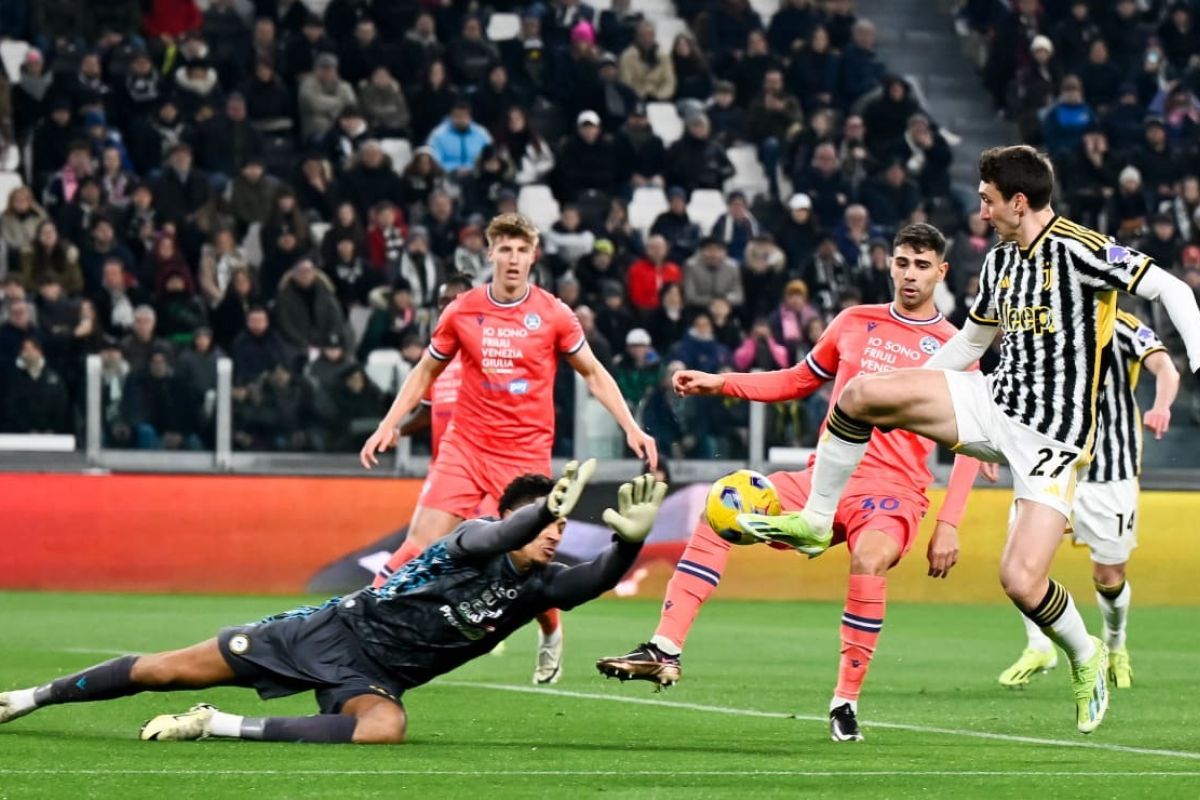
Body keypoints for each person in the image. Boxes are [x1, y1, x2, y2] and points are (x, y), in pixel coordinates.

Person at [749, 146, 1200, 734]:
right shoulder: (999, 261)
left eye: (988, 199)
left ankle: (1085, 653)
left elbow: (1176, 292)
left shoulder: (1083, 251)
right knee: (861, 394)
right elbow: (970, 345)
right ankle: (815, 518)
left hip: (1053, 440)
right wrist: (912, 384)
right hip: (992, 405)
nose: (982, 211)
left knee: (1020, 580)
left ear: (1018, 200)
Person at [596, 223, 982, 742]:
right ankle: (665, 648)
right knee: (721, 507)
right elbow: (799, 380)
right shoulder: (853, 322)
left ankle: (845, 702)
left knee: (869, 559)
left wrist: (950, 523)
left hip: (893, 491)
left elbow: (967, 446)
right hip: (823, 477)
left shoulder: (955, 347)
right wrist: (720, 383)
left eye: (921, 265)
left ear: (942, 271)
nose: (910, 275)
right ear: (890, 264)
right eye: (902, 262)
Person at [0, 463, 667, 745]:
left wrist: (629, 544)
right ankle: (30, 698)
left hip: (373, 678)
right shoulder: (470, 541)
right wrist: (538, 512)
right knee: (163, 670)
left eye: (557, 523)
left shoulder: (541, 589)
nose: (555, 531)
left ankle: (219, 726)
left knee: (387, 729)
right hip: (327, 631)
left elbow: (597, 578)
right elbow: (500, 531)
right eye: (547, 520)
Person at [360, 213, 658, 685]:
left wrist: (631, 427)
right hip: (466, 446)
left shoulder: (555, 313)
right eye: (505, 249)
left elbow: (595, 373)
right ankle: (361, 625)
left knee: (524, 562)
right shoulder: (462, 310)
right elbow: (425, 372)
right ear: (491, 254)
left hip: (523, 456)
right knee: (417, 544)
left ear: (533, 256)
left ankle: (551, 632)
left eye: (522, 250)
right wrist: (388, 424)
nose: (513, 258)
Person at [998, 314, 1179, 690]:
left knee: (1109, 576)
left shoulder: (1124, 326)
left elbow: (1165, 368)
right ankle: (1038, 646)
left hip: (1110, 473)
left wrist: (1161, 404)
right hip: (1053, 464)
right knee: (1022, 560)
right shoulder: (1046, 322)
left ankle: (1116, 644)